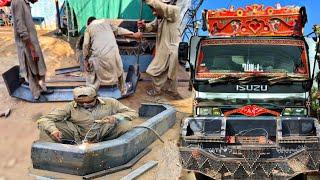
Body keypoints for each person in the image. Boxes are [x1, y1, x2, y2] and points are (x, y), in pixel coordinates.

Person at [37, 86, 138, 143]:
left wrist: (116, 117)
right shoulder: (70, 106)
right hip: (79, 136)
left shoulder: (111, 102)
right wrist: (53, 130)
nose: (85, 104)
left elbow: (133, 113)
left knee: (126, 124)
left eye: (89, 102)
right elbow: (44, 119)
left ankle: (116, 146)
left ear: (96, 97)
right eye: (81, 103)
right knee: (46, 128)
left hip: (105, 133)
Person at [83, 17, 142, 95]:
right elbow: (119, 30)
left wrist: (86, 59)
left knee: (91, 70)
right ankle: (123, 89)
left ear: (88, 23)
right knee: (120, 70)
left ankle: (90, 93)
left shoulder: (88, 28)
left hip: (98, 54)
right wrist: (133, 34)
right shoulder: (106, 22)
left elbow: (86, 44)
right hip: (113, 51)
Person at [11, 0, 53, 101]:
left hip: (32, 43)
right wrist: (31, 49)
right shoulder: (17, 1)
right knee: (30, 69)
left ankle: (42, 88)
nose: (37, 0)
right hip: (26, 45)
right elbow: (20, 27)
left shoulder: (25, 3)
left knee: (39, 66)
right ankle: (36, 93)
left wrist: (34, 47)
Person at [138, 0, 181, 97]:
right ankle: (161, 90)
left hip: (172, 49)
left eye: (155, 10)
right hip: (164, 49)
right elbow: (152, 26)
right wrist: (144, 26)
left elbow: (162, 7)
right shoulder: (160, 17)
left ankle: (168, 91)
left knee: (168, 73)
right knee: (160, 71)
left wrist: (148, 0)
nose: (154, 12)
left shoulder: (174, 11)